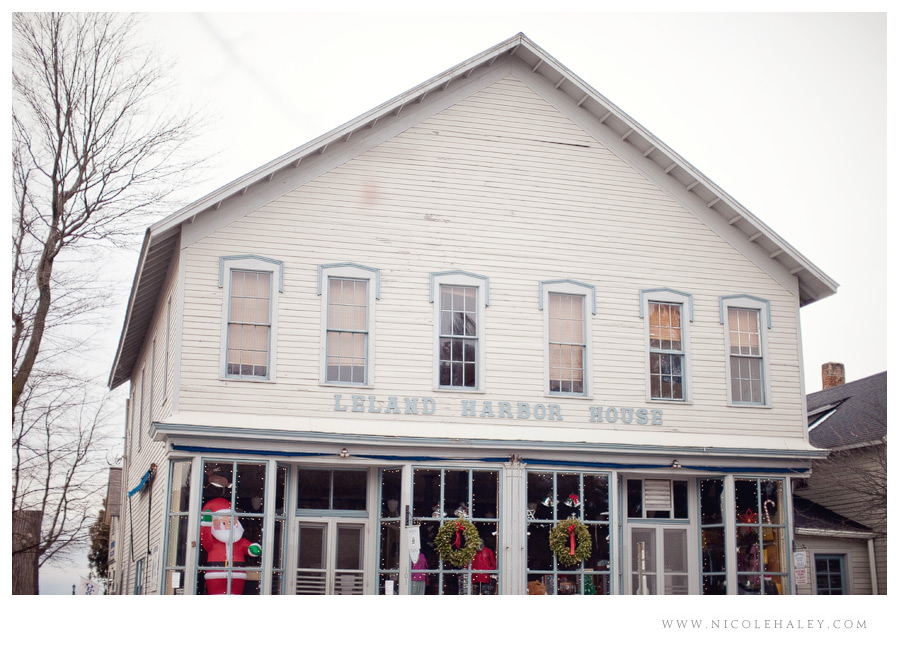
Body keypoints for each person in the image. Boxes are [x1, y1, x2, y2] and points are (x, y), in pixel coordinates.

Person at [199, 497, 261, 594]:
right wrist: (206, 524)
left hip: (237, 576)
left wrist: (253, 549)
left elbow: (248, 547)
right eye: (223, 523)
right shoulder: (213, 543)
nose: (228, 526)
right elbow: (205, 539)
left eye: (231, 522)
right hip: (215, 575)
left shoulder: (240, 542)